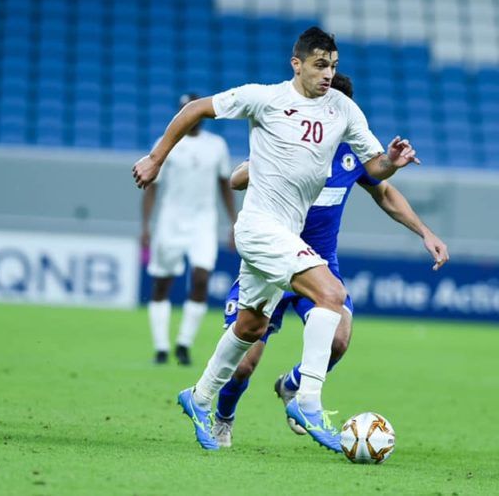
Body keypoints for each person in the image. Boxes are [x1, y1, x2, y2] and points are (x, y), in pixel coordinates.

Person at [132, 27, 421, 452]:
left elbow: (373, 168)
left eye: (334, 66)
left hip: (285, 232)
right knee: (331, 294)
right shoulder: (264, 98)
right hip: (258, 227)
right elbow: (196, 109)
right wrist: (156, 158)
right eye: (320, 65)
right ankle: (306, 400)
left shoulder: (342, 108)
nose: (328, 74)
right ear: (297, 64)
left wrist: (392, 163)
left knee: (250, 325)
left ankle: (198, 397)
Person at [210, 73, 449, 447]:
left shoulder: (353, 152)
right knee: (244, 364)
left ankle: (293, 386)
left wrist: (426, 232)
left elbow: (385, 193)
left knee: (338, 340)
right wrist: (256, 165)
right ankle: (223, 416)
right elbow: (237, 180)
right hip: (272, 262)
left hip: (319, 265)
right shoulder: (287, 137)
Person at [142, 93, 236, 366]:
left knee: (201, 278)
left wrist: (233, 222)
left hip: (203, 222)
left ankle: (183, 343)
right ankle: (161, 347)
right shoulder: (165, 143)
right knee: (162, 283)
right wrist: (146, 226)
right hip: (169, 220)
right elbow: (151, 188)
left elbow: (224, 186)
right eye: (184, 110)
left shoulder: (217, 146)